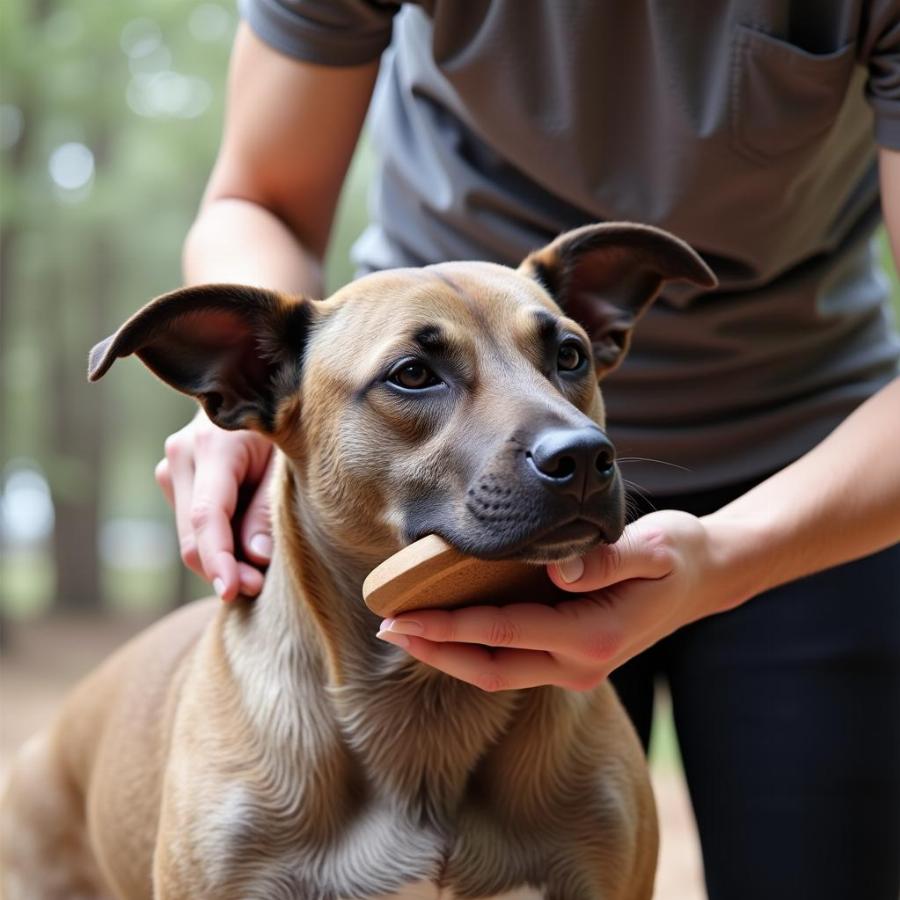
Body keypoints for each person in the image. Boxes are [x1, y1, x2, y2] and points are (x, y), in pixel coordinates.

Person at [154, 4, 900, 898]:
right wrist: (270, 386)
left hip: (824, 460)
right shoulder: (304, 383)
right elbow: (260, 196)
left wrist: (731, 554)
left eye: (569, 357)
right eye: (415, 377)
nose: (568, 435)